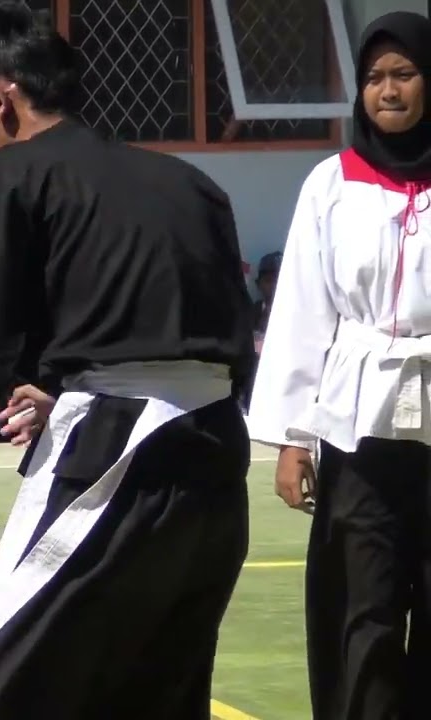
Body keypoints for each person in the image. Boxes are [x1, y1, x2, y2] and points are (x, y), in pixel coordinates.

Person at [0, 4, 254, 718]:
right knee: (159, 687)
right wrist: (63, 386)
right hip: (219, 453)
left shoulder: (7, 176)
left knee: (3, 686)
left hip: (113, 449)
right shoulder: (189, 183)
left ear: (1, 98)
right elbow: (204, 318)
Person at [247, 12, 431, 720]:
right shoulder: (332, 182)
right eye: (375, 78)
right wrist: (294, 438)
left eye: (405, 75)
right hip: (360, 430)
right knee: (364, 607)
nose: (388, 91)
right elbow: (302, 308)